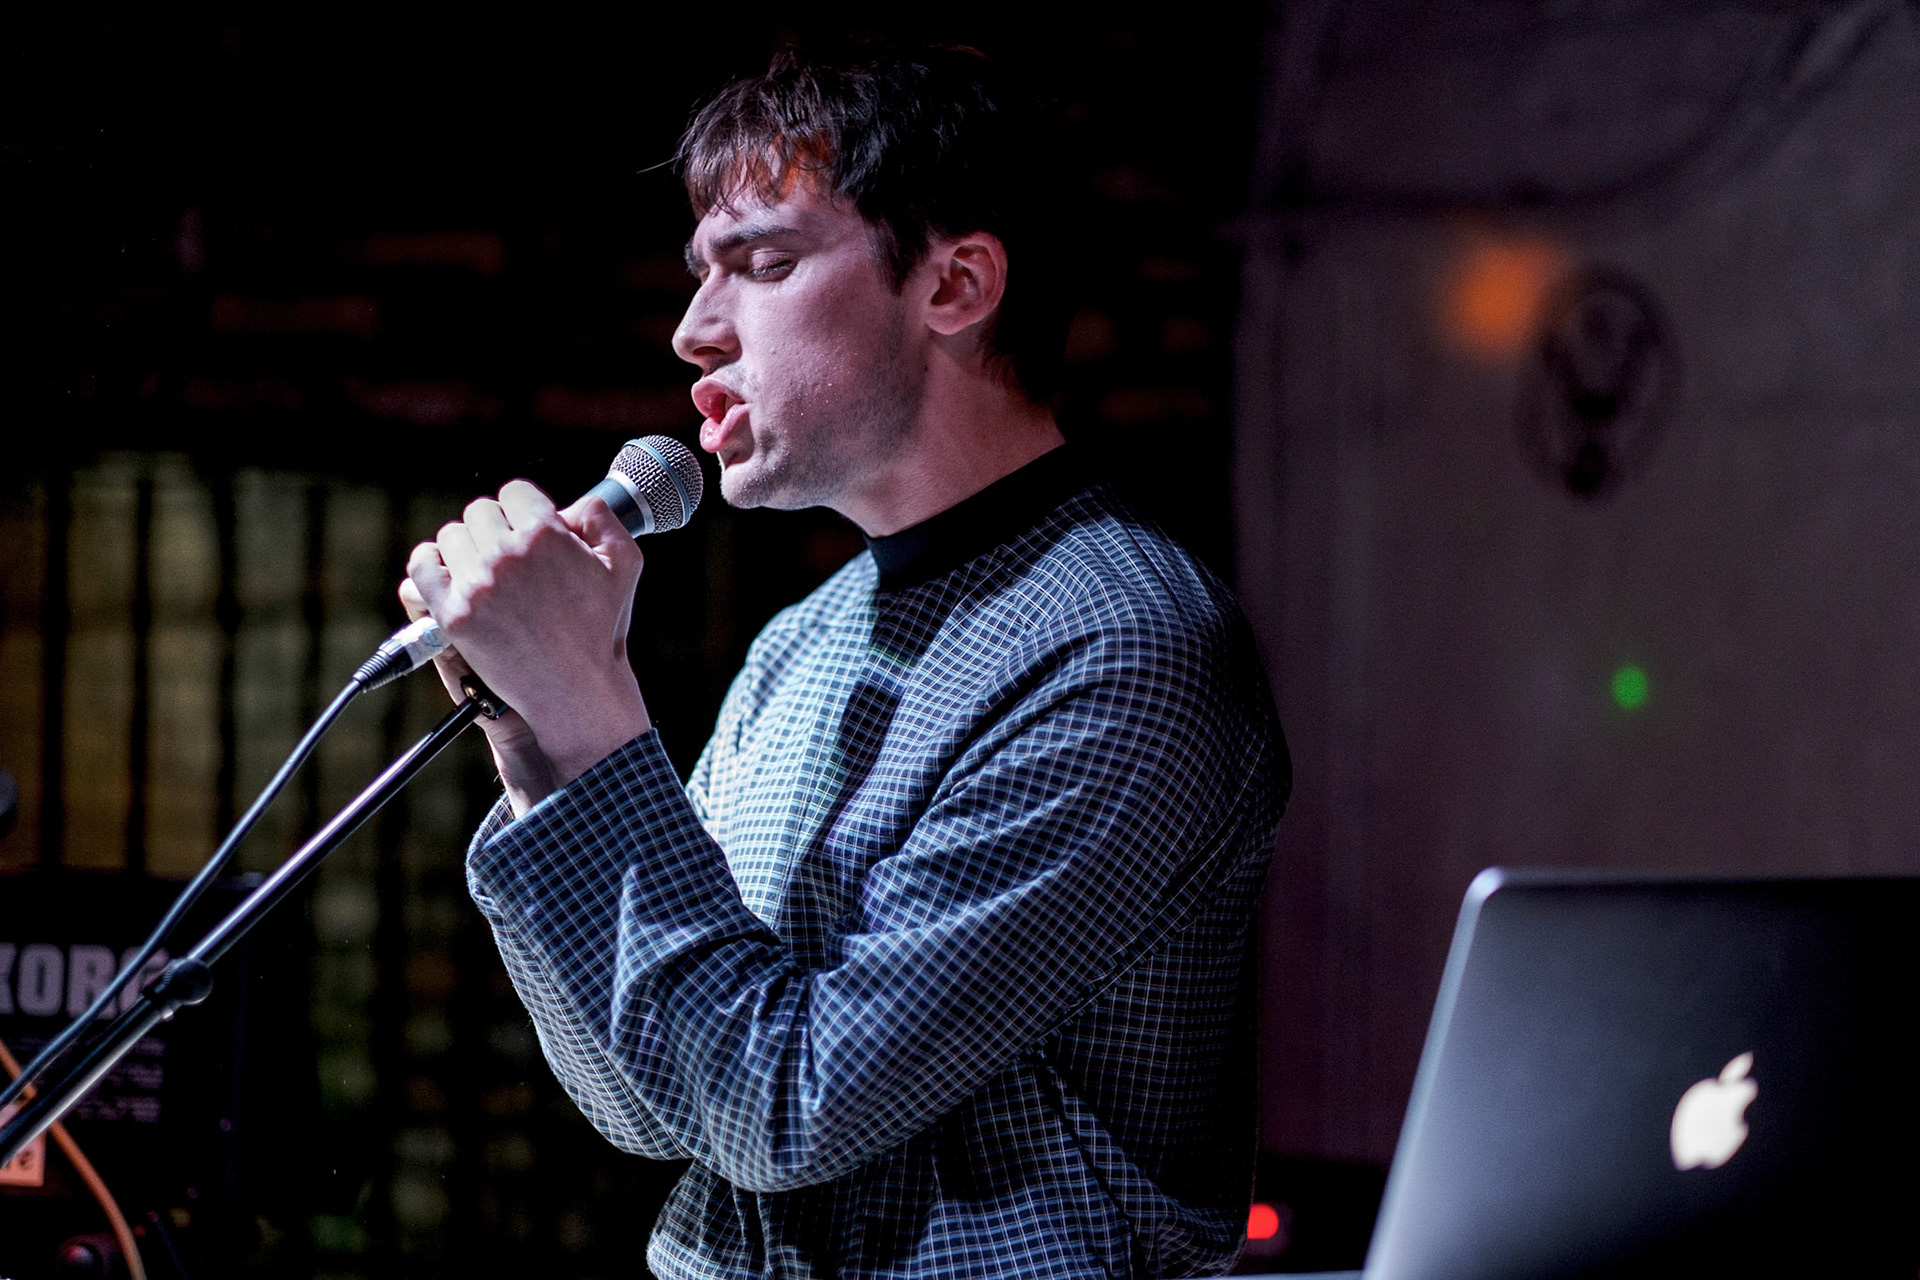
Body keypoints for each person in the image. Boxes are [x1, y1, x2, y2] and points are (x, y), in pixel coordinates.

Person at [400, 44, 1289, 1280]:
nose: (693, 331)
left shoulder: (1125, 645)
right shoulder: (798, 645)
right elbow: (654, 1105)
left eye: (762, 264)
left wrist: (592, 714)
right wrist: (536, 735)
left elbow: (793, 1105)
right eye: (698, 274)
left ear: (956, 283)